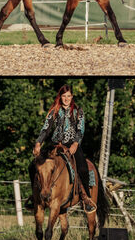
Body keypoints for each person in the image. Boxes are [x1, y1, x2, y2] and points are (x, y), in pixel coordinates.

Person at [26, 83, 96, 212]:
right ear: (60, 96)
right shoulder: (54, 110)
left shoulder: (78, 111)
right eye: (64, 96)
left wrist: (76, 143)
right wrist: (38, 143)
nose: (66, 99)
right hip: (54, 143)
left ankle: (86, 197)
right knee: (32, 166)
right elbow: (46, 128)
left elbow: (80, 129)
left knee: (82, 168)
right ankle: (34, 196)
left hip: (72, 144)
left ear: (72, 96)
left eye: (68, 96)